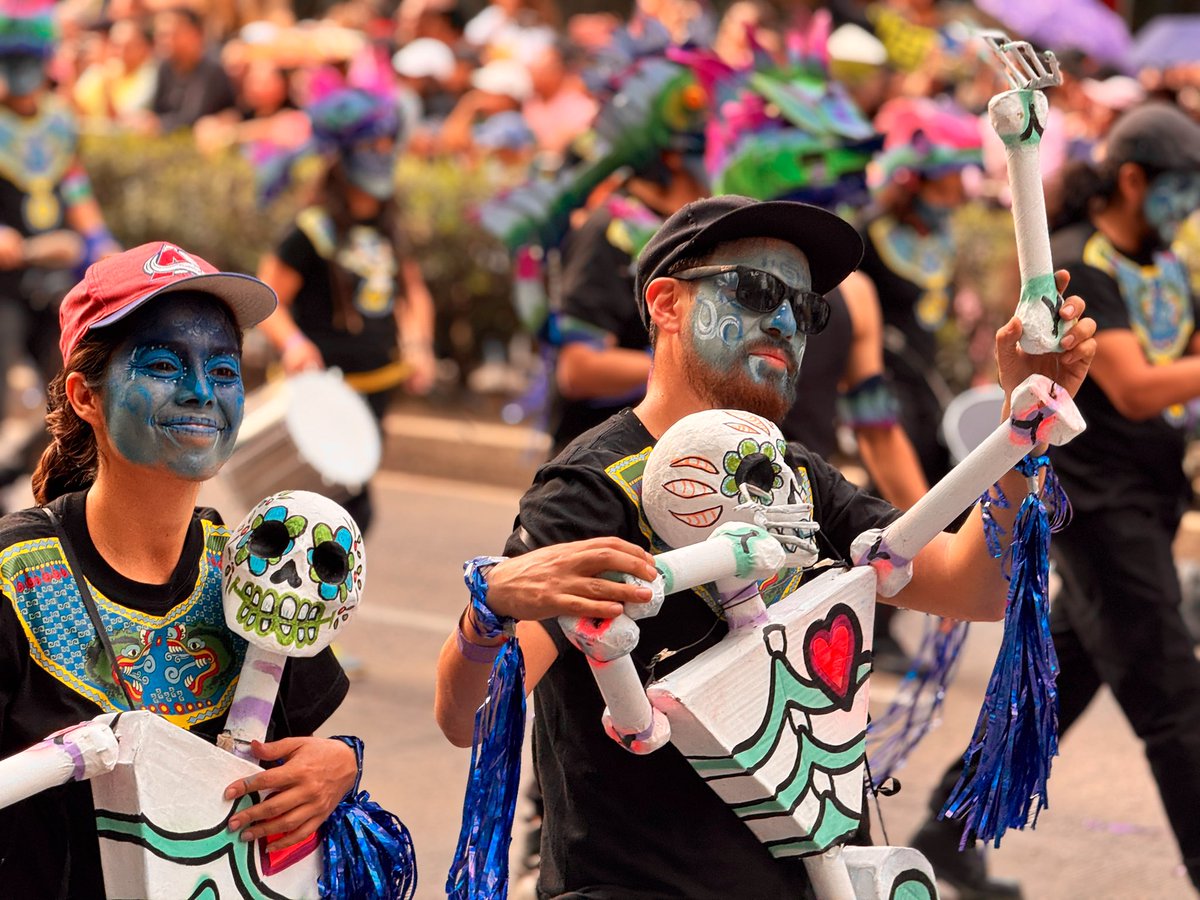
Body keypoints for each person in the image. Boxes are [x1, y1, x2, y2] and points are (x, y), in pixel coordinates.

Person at [434, 194, 1097, 897]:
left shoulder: (799, 474)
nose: (784, 321)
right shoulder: (592, 487)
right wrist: (488, 613)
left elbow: (972, 589)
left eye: (807, 309)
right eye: (754, 291)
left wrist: (1022, 429)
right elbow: (469, 719)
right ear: (666, 305)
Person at [0, 243, 357, 896]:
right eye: (164, 364)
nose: (201, 392)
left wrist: (340, 764)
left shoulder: (264, 563)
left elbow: (296, 765)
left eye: (224, 370)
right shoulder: (13, 576)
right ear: (85, 395)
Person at [915, 102, 1200, 896]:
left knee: (1059, 674)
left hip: (1148, 498)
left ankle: (949, 826)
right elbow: (1138, 388)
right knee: (1176, 701)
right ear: (1134, 180)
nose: (1192, 206)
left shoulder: (1166, 263)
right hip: (1095, 511)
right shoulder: (1081, 263)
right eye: (1183, 188)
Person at [256, 87, 436, 537]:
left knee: (344, 517)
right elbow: (268, 298)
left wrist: (419, 346)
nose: (382, 155)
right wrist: (295, 344)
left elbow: (413, 294)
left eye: (385, 145)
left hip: (373, 392)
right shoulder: (312, 228)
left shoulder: (388, 224)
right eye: (370, 146)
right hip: (322, 394)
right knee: (323, 516)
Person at [146, 7, 236, 133]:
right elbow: (157, 112)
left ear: (195, 34)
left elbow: (194, 120)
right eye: (160, 34)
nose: (163, 41)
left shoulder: (212, 72)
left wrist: (158, 124)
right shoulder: (164, 68)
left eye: (171, 34)